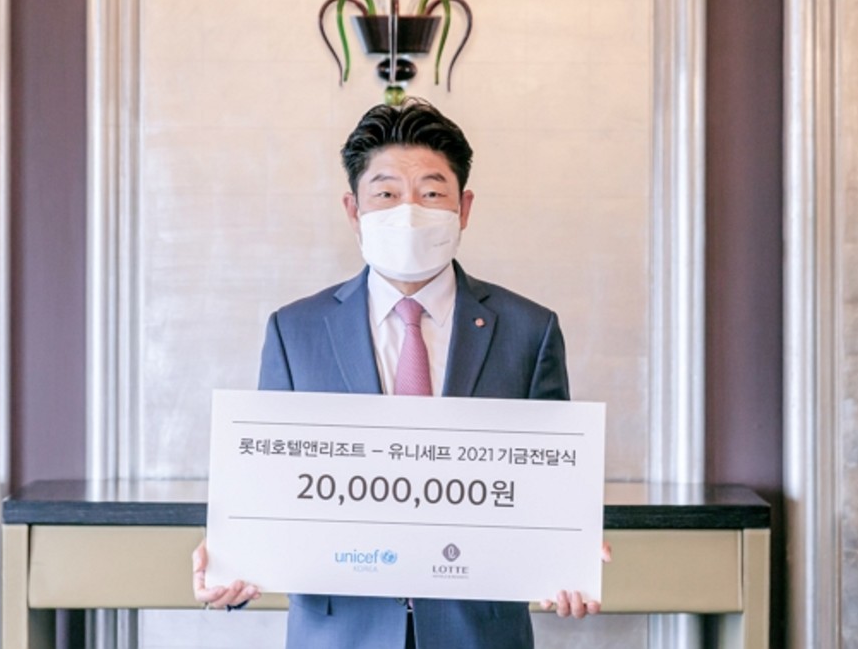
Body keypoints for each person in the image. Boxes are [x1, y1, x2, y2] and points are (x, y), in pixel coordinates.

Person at [192, 99, 610, 649]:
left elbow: (551, 489)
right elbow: (270, 491)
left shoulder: (528, 331)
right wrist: (233, 562)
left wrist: (570, 556)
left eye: (431, 193)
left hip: (477, 634)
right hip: (341, 633)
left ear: (463, 207)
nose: (408, 211)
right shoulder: (296, 331)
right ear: (353, 209)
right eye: (386, 194)